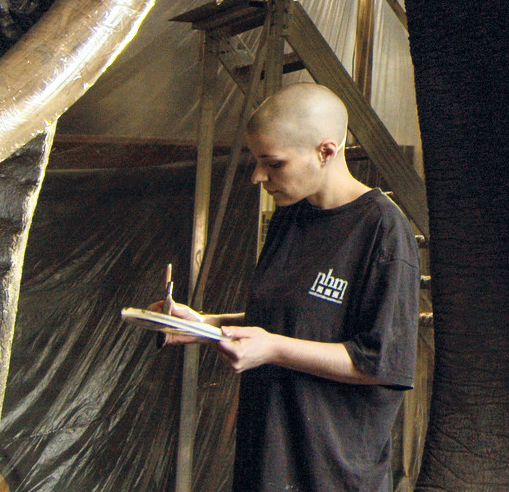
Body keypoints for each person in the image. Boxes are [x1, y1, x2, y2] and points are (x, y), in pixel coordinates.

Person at [162, 82, 420, 492]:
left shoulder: (381, 230)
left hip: (329, 473)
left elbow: (378, 362)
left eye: (273, 163)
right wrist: (206, 324)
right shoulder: (289, 216)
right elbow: (293, 320)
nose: (257, 176)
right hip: (267, 457)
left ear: (326, 151)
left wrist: (274, 349)